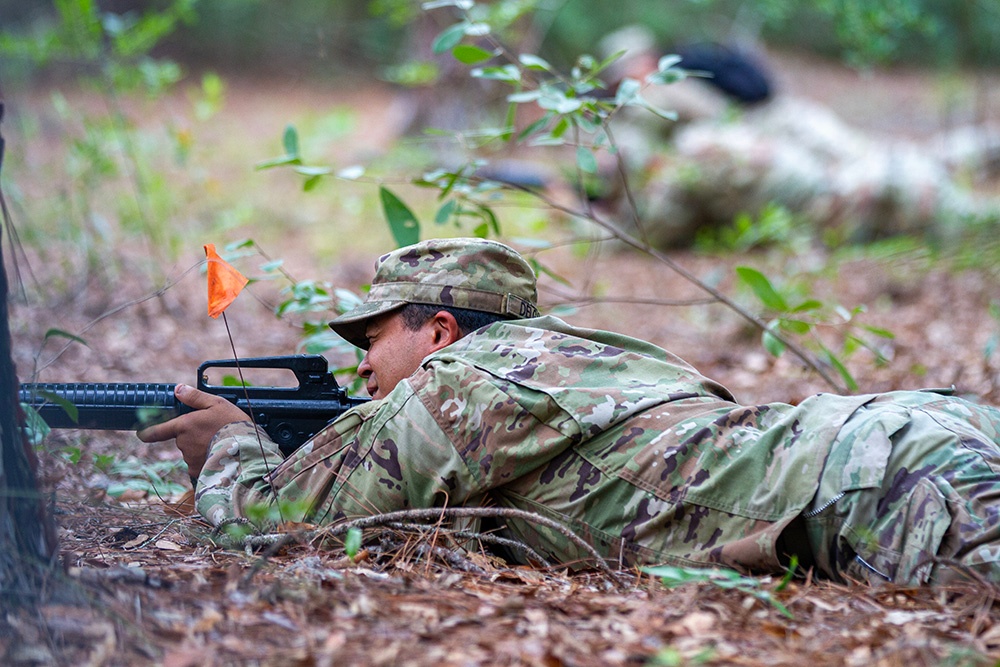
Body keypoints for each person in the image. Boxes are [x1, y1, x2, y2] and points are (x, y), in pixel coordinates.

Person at [139, 237, 1000, 585]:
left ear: (439, 330)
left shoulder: (465, 384)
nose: (361, 361)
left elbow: (272, 523)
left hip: (887, 487)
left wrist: (234, 446)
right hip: (904, 437)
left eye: (373, 335)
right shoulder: (591, 353)